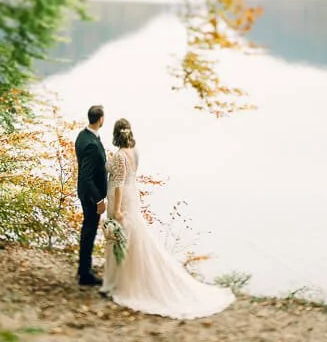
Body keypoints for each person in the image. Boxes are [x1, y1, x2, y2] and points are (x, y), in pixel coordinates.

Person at [100, 118, 234, 319]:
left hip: (122, 200)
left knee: (119, 239)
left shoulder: (119, 155)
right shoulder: (134, 153)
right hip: (132, 196)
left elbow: (118, 183)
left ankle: (120, 284)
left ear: (115, 134)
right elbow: (127, 175)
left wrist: (117, 210)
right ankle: (124, 280)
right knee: (131, 239)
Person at [73, 104, 108, 286]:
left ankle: (83, 269)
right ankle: (85, 275)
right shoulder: (92, 145)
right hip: (91, 196)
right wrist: (99, 200)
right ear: (100, 119)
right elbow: (86, 177)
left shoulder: (83, 135)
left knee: (88, 231)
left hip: (86, 193)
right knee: (89, 231)